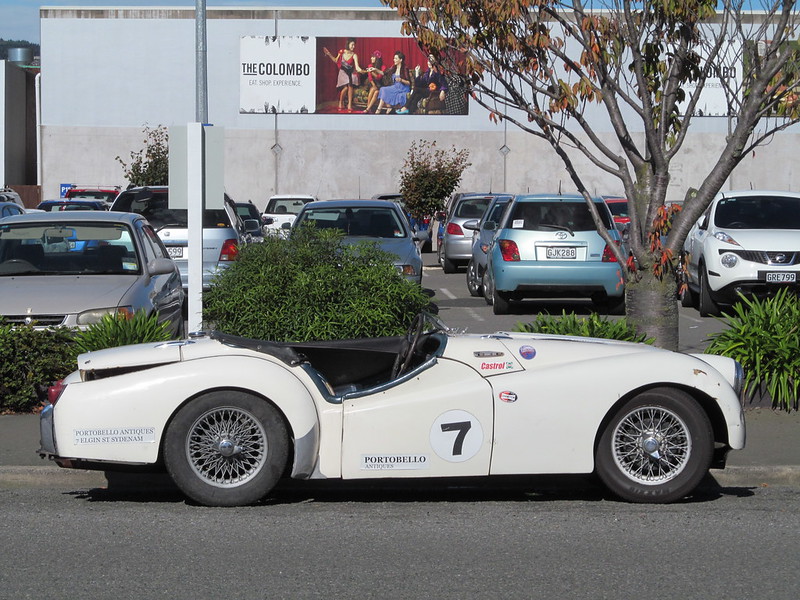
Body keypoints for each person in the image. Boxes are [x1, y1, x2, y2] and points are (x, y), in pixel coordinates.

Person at [323, 38, 365, 112]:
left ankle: (349, 104)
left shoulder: (354, 55)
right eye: (352, 45)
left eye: (354, 45)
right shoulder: (342, 52)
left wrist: (362, 71)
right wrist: (329, 54)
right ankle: (340, 102)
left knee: (350, 85)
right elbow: (336, 60)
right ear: (348, 44)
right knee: (345, 88)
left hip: (351, 73)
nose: (353, 46)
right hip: (343, 73)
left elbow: (357, 67)